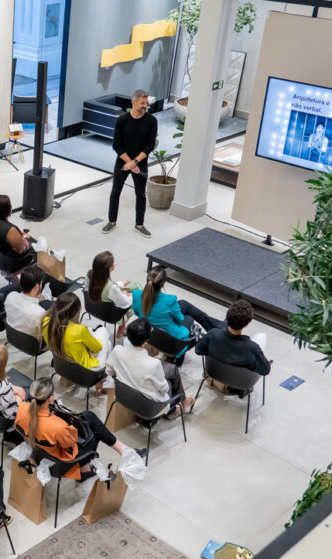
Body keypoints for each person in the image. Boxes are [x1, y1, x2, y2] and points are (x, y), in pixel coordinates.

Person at [15, 377, 142, 481]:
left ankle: (123, 449)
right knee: (93, 431)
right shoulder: (58, 427)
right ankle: (84, 468)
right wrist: (70, 425)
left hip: (39, 452)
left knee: (88, 416)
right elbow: (71, 443)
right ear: (50, 398)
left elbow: (23, 404)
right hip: (64, 461)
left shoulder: (21, 409)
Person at [106, 318, 194, 419]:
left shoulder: (117, 350)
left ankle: (182, 404)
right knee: (169, 381)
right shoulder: (153, 364)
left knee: (170, 369)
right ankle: (173, 411)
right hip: (148, 407)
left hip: (123, 396)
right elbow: (164, 389)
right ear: (147, 339)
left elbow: (109, 371)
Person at [131, 266, 224, 360]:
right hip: (171, 339)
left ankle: (217, 326)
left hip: (150, 329)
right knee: (189, 317)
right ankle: (217, 329)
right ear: (163, 284)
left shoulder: (136, 295)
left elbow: (137, 313)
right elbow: (180, 320)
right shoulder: (170, 301)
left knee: (184, 304)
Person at [102, 90, 157, 238]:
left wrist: (135, 162)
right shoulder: (122, 120)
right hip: (123, 162)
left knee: (140, 194)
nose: (145, 106)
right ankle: (111, 221)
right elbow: (116, 146)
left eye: (146, 103)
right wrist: (130, 163)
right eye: (142, 103)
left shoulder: (151, 121)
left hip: (140, 163)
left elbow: (150, 145)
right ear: (133, 103)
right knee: (115, 192)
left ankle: (140, 225)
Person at [194, 300, 271, 376]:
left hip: (213, 373)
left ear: (227, 317)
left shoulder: (212, 334)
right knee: (262, 336)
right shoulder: (252, 348)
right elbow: (265, 370)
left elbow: (198, 351)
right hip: (239, 383)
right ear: (247, 324)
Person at [42, 292, 110, 372]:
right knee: (103, 331)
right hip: (86, 370)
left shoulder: (46, 322)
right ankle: (104, 375)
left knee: (107, 343)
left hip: (62, 362)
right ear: (76, 312)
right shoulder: (79, 330)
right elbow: (98, 348)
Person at [0, 194, 35, 274]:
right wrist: (25, 238)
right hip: (10, 263)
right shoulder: (8, 230)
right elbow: (22, 249)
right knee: (35, 244)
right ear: (5, 210)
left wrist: (16, 235)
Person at [4, 266, 49, 338]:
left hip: (12, 337)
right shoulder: (39, 313)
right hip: (32, 344)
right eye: (41, 283)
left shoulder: (11, 296)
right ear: (37, 287)